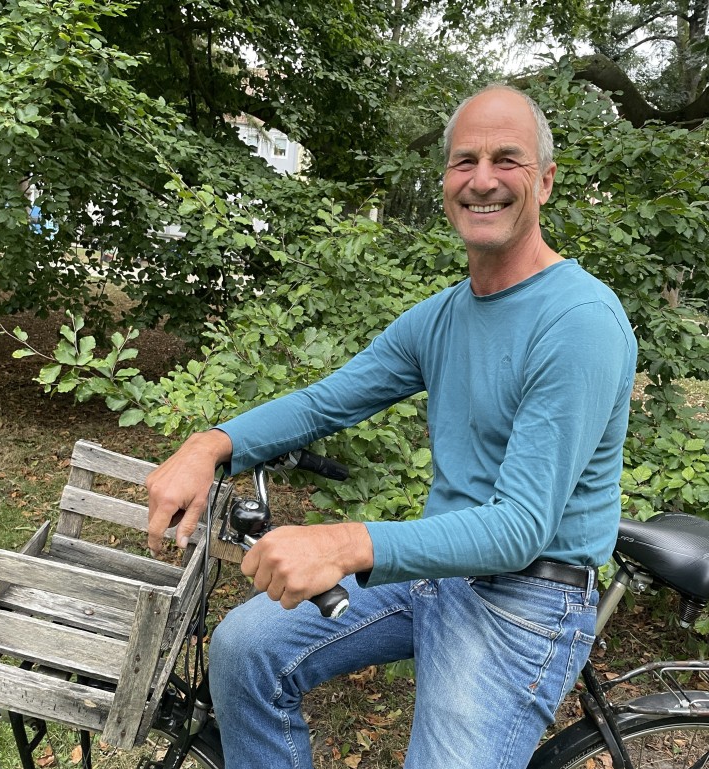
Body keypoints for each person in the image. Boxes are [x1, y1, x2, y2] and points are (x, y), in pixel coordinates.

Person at [147, 84, 638, 769]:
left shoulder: (578, 320)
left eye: (508, 160)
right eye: (464, 161)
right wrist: (213, 443)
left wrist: (345, 541)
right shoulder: (443, 316)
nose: (483, 179)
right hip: (440, 570)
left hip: (528, 595)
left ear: (545, 181)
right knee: (243, 649)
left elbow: (519, 525)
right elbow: (328, 400)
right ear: (445, 182)